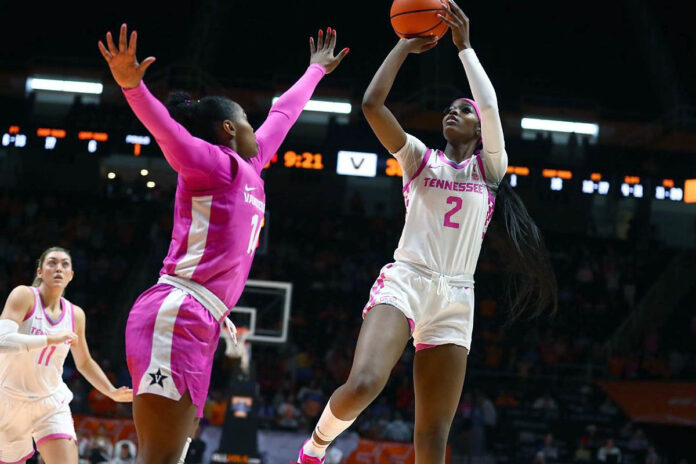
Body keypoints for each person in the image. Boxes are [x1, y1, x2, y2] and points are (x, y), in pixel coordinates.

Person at [298, 1, 556, 462]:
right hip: (407, 280)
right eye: (449, 109)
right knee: (364, 384)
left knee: (433, 434)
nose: (452, 113)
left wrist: (465, 49)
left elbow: (492, 105)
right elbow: (372, 104)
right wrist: (401, 45)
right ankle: (314, 449)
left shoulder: (490, 169)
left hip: (456, 298)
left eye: (463, 110)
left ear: (479, 129)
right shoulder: (419, 158)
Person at [97, 23, 348, 464]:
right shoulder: (213, 166)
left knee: (172, 456)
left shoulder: (249, 165)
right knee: (158, 458)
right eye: (249, 122)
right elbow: (169, 136)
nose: (258, 128)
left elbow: (283, 116)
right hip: (176, 312)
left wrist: (315, 72)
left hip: (202, 319)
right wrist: (132, 88)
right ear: (230, 128)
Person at [0, 247, 132, 464]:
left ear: (71, 275)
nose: (58, 268)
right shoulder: (23, 295)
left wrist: (112, 392)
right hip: (9, 399)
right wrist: (50, 339)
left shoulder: (75, 314)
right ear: (40, 271)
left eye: (65, 264)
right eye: (52, 262)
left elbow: (85, 362)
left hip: (50, 402)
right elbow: (2, 341)